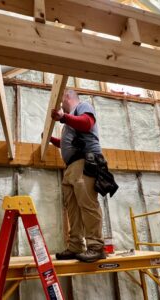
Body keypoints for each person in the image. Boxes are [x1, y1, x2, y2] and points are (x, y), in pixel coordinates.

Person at [50, 89, 106, 263]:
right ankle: (75, 246)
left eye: (61, 102)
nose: (60, 107)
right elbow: (69, 144)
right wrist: (53, 140)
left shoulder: (83, 106)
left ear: (67, 97)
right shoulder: (70, 121)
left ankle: (96, 246)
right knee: (73, 209)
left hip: (84, 162)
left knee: (87, 204)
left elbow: (87, 123)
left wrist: (63, 118)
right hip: (72, 166)